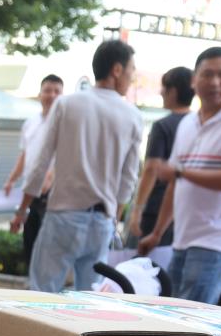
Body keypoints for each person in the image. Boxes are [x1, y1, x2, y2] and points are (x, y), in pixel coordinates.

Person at [137, 47, 221, 303]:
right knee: (172, 312)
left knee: (191, 323)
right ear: (194, 80)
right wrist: (158, 233)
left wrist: (182, 171)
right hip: (182, 238)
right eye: (207, 74)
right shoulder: (187, 124)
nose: (215, 82)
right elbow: (175, 183)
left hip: (217, 241)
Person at [14, 44, 143, 292]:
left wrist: (22, 209)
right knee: (90, 300)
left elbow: (40, 163)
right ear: (116, 70)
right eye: (131, 70)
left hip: (62, 215)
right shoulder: (133, 116)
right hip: (101, 222)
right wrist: (114, 215)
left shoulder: (67, 105)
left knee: (43, 294)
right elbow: (128, 180)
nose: (131, 76)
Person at [124, 67, 194, 265]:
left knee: (143, 268)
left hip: (155, 209)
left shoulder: (163, 126)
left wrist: (137, 209)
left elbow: (151, 169)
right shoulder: (197, 124)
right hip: (183, 210)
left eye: (164, 88)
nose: (161, 92)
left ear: (173, 91)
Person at [5, 73, 65, 268]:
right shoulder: (30, 123)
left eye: (57, 91)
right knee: (30, 245)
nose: (52, 95)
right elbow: (25, 156)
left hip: (51, 196)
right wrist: (11, 180)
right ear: (40, 94)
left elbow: (58, 162)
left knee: (47, 252)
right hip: (32, 192)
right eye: (48, 90)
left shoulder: (65, 125)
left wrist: (48, 179)